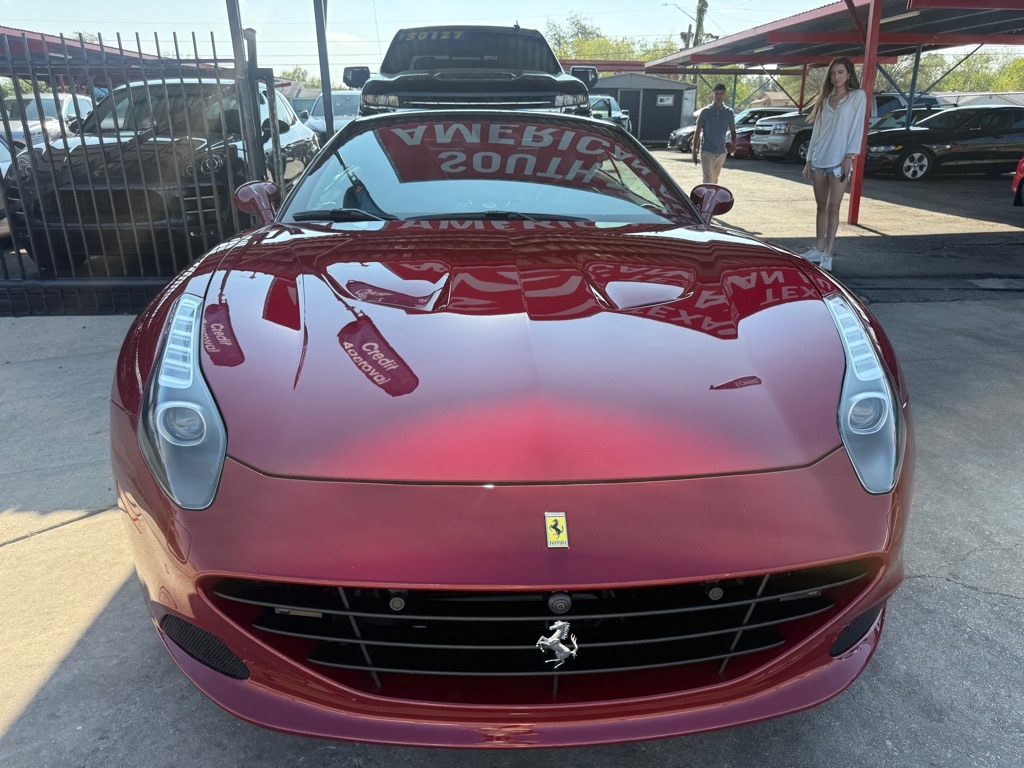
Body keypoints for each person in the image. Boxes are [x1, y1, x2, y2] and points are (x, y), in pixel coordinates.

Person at [801, 56, 868, 272]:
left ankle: (828, 253)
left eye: (840, 72)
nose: (836, 77)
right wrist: (808, 160)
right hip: (819, 159)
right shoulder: (824, 100)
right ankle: (818, 249)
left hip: (840, 162)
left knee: (834, 207)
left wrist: (850, 156)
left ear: (849, 74)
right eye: (833, 73)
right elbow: (816, 132)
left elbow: (858, 127)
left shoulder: (857, 97)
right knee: (821, 206)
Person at [691, 83, 737, 184]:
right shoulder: (705, 112)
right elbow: (697, 132)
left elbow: (733, 131)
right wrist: (694, 150)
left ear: (725, 95)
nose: (719, 96)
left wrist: (734, 143)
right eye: (717, 93)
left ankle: (712, 198)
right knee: (707, 177)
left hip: (721, 152)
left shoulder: (728, 112)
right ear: (712, 95)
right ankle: (705, 198)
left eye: (721, 93)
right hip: (707, 150)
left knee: (714, 178)